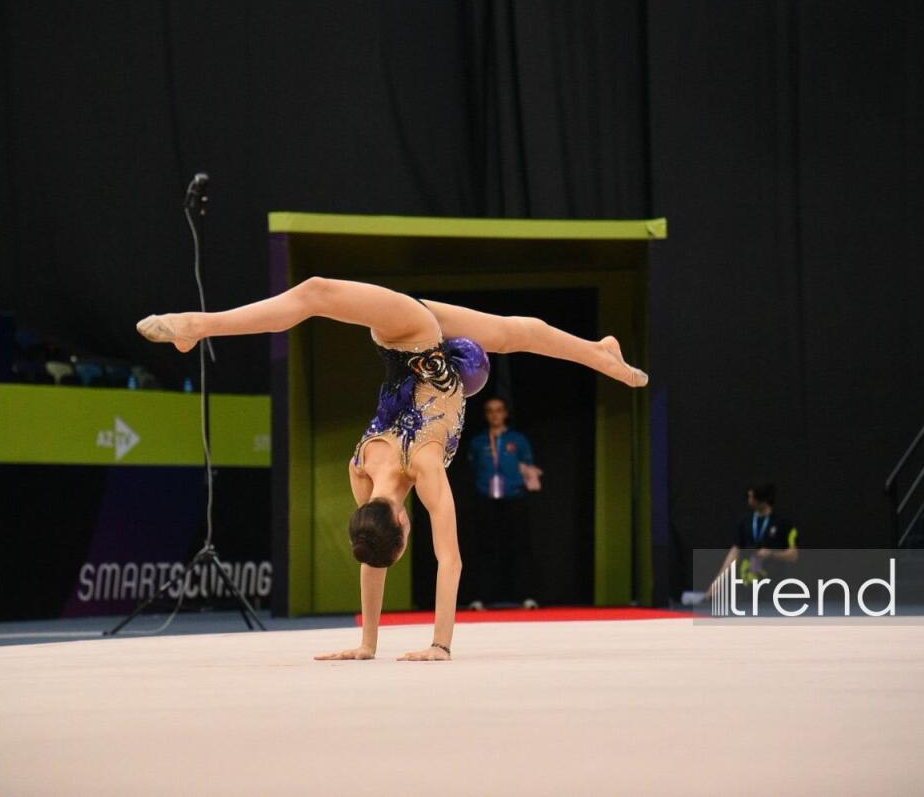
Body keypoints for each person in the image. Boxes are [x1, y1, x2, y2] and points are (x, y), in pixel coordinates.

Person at [136, 277, 646, 661]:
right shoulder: (360, 471)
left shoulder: (422, 466)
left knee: (315, 293)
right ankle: (602, 354)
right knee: (516, 333)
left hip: (411, 336)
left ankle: (198, 326)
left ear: (403, 527)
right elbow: (371, 550)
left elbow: (450, 562)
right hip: (420, 342)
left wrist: (441, 646)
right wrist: (367, 645)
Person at [466, 396, 541, 610]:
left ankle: (526, 596)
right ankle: (481, 597)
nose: (495, 415)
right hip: (486, 499)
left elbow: (528, 466)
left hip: (514, 498)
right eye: (490, 411)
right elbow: (472, 467)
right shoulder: (478, 442)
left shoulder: (517, 440)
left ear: (506, 413)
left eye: (499, 410)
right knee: (485, 548)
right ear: (485, 415)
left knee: (520, 547)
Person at [707, 483, 799, 599]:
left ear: (763, 499)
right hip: (746, 588)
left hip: (774, 589)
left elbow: (793, 555)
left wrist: (772, 554)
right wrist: (718, 582)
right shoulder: (744, 522)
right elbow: (734, 554)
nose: (749, 500)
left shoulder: (784, 523)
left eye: (752, 497)